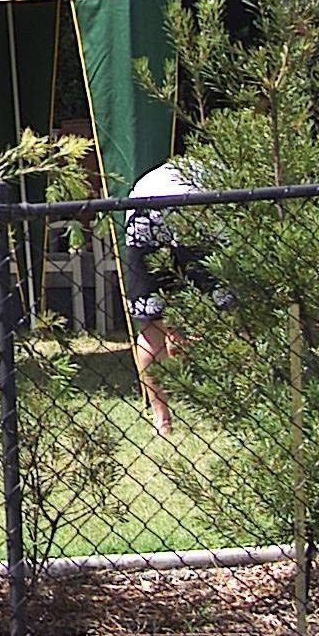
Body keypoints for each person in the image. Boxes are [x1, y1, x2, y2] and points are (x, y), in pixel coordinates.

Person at [120, 155, 223, 437]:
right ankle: (230, 407)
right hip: (195, 206)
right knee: (224, 318)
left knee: (151, 326)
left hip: (144, 206)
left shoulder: (158, 173)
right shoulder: (229, 166)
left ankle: (161, 420)